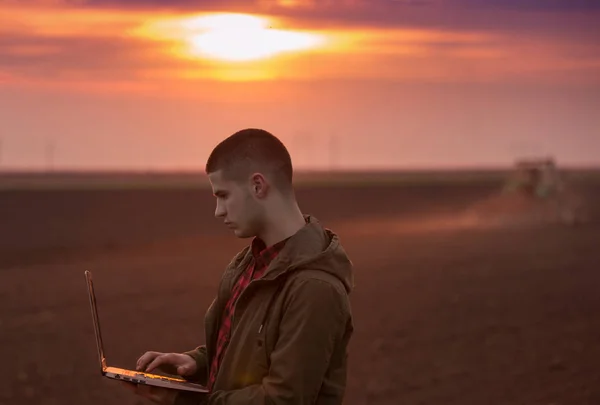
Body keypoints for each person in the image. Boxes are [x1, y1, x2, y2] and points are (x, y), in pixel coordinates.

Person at [122, 128, 355, 405]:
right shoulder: (248, 264)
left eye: (223, 195)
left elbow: (283, 399)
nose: (218, 211)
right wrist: (197, 363)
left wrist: (186, 401)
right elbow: (247, 353)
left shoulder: (314, 288)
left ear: (258, 185)